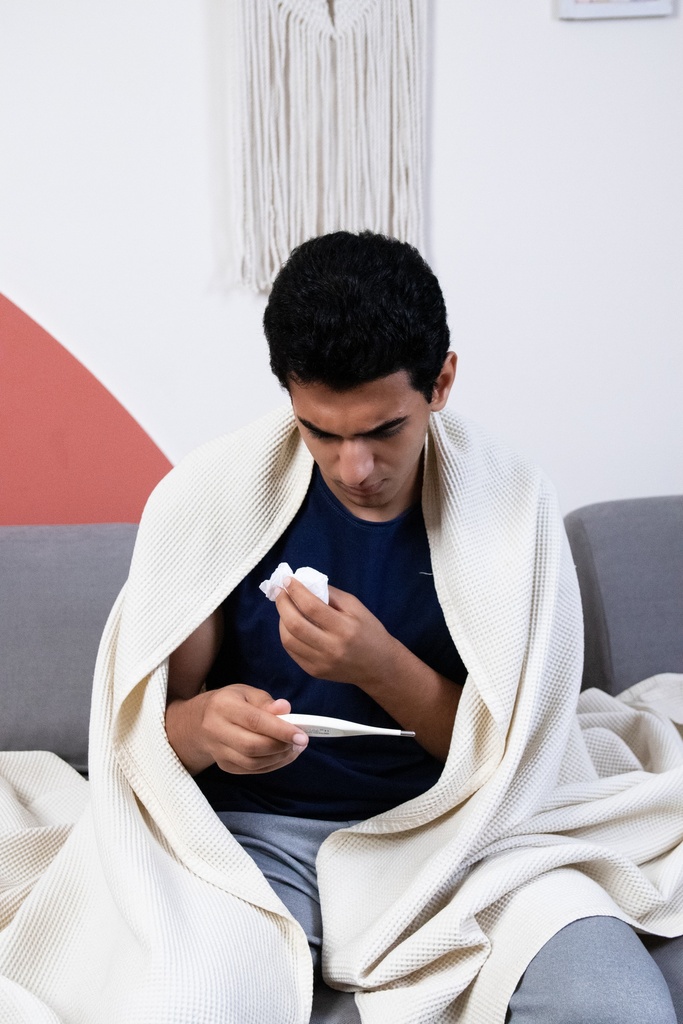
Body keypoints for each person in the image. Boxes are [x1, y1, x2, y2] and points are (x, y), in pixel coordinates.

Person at [162, 231, 682, 1024]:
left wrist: (378, 666)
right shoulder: (213, 500)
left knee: (619, 1011)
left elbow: (517, 762)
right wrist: (205, 727)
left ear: (440, 383)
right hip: (258, 835)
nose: (354, 469)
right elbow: (146, 735)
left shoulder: (510, 507)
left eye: (383, 430)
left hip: (472, 839)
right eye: (321, 432)